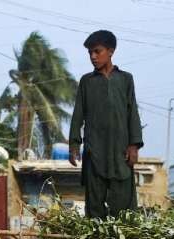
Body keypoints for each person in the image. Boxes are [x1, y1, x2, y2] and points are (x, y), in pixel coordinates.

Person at [68, 30, 143, 219]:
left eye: (97, 51)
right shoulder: (87, 81)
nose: (93, 57)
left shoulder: (125, 79)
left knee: (123, 205)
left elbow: (132, 111)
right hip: (95, 151)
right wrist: (74, 144)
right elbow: (78, 114)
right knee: (95, 205)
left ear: (110, 51)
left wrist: (134, 145)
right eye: (90, 53)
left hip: (121, 152)